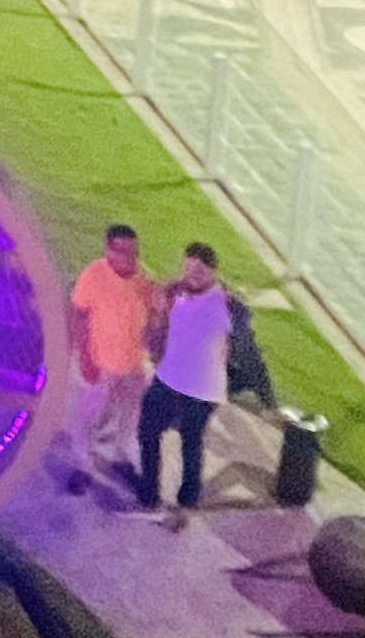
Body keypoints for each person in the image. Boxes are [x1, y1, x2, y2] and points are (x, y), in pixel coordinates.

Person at [141, 241, 236, 522]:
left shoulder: (219, 307)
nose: (192, 275)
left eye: (199, 271)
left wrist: (166, 303)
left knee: (190, 441)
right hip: (171, 378)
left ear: (213, 273)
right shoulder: (183, 294)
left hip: (199, 390)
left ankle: (185, 498)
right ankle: (151, 492)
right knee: (149, 431)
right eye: (188, 269)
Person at [65, 223, 153, 496]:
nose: (130, 257)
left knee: (130, 417)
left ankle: (121, 458)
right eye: (122, 251)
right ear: (109, 249)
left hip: (133, 364)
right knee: (88, 417)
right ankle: (82, 465)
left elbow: (151, 319)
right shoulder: (93, 275)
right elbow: (77, 314)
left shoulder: (144, 280)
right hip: (99, 362)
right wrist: (84, 357)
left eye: (134, 251)